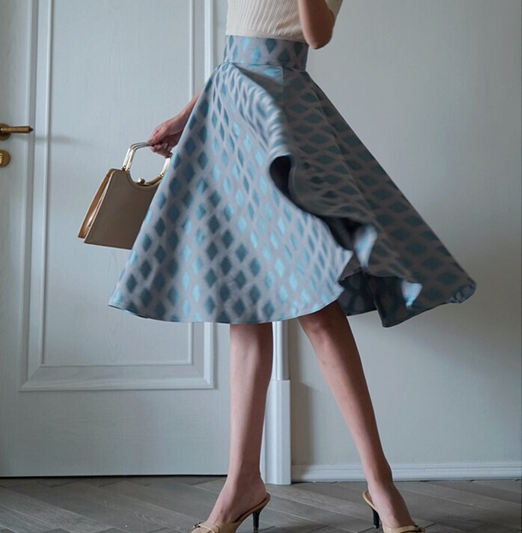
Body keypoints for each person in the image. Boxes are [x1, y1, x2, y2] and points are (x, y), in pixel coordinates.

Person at [109, 1, 477, 532]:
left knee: (317, 305)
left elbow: (318, 34)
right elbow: (240, 42)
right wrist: (189, 112)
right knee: (244, 305)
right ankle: (241, 485)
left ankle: (381, 484)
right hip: (226, 112)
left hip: (282, 112)